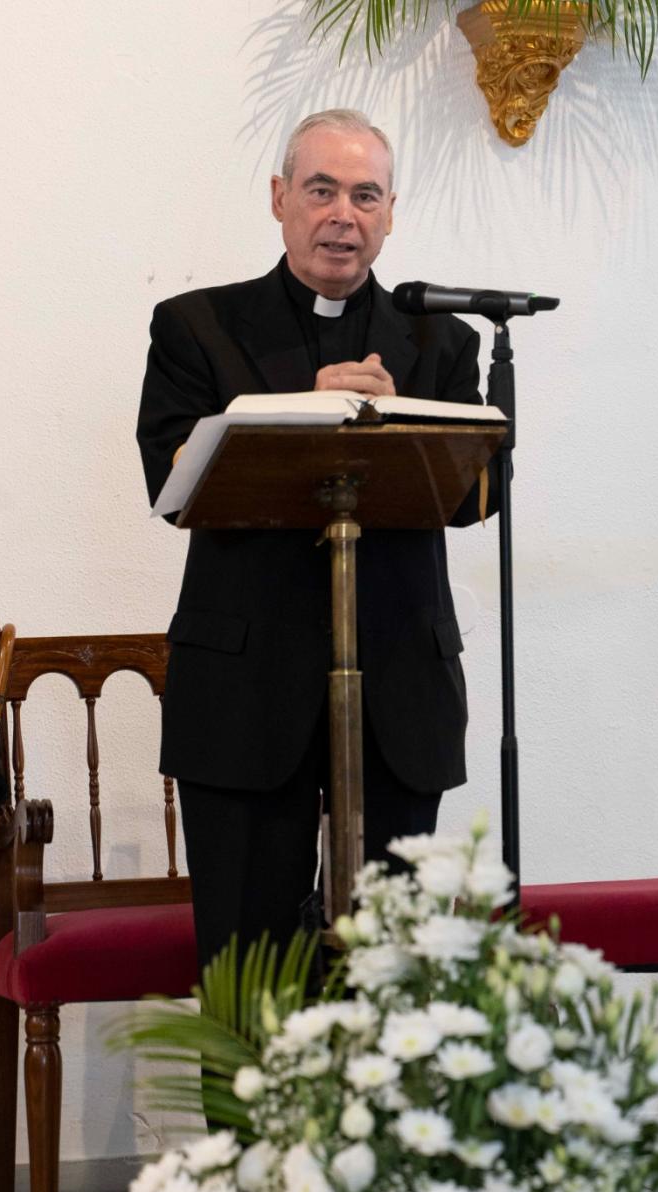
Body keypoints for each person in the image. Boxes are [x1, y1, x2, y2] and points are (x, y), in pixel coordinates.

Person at [137, 109, 499, 977]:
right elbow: (172, 482)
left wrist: (403, 425)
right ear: (280, 198)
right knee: (250, 981)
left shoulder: (443, 341)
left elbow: (479, 495)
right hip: (246, 689)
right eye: (322, 190)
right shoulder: (198, 326)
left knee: (394, 980)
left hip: (399, 687)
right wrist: (305, 409)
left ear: (391, 212)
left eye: (366, 196)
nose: (344, 215)